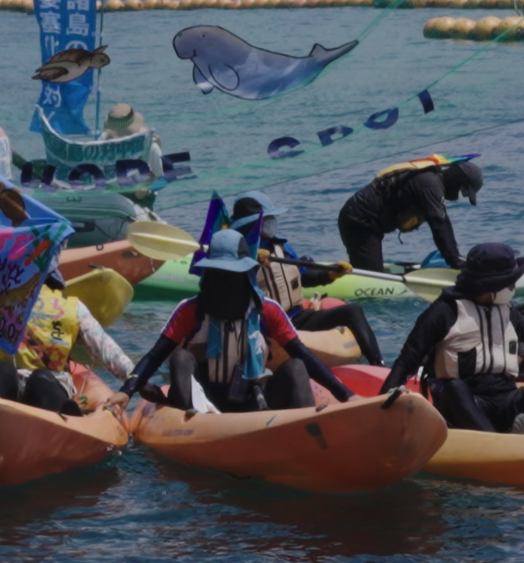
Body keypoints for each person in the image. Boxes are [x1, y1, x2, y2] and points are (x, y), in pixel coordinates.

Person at [119, 229, 358, 413]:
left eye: (232, 274)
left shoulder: (267, 310)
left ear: (246, 275)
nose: (225, 283)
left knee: (296, 367)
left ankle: (304, 428)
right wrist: (126, 391)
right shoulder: (191, 311)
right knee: (180, 359)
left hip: (252, 397)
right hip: (203, 400)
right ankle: (191, 422)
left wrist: (346, 394)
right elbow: (154, 356)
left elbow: (304, 356)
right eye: (218, 274)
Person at [383, 243, 524, 433]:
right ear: (486, 286)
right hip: (467, 406)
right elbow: (407, 361)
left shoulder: (509, 313)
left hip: (508, 400)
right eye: (509, 282)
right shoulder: (443, 313)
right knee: (455, 388)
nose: (513, 287)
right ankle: (499, 442)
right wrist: (382, 407)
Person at [231, 193, 383, 366]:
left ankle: (378, 364)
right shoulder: (237, 254)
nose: (272, 222)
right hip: (268, 325)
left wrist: (330, 275)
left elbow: (302, 276)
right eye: (267, 219)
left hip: (298, 317)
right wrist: (250, 261)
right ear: (253, 224)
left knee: (352, 311)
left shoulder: (281, 247)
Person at [0, 268, 132, 416]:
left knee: (4, 371)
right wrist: (135, 382)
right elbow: (108, 352)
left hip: (5, 389)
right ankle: (65, 415)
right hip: (50, 389)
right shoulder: (73, 308)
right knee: (41, 378)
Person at [336, 156, 481, 272]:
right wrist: (454, 261)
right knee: (371, 276)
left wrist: (456, 257)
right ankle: (337, 276)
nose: (458, 197)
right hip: (359, 221)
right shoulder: (429, 184)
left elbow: (444, 221)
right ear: (456, 181)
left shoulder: (433, 184)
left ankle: (359, 268)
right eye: (463, 192)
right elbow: (438, 225)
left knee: (370, 267)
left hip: (366, 222)